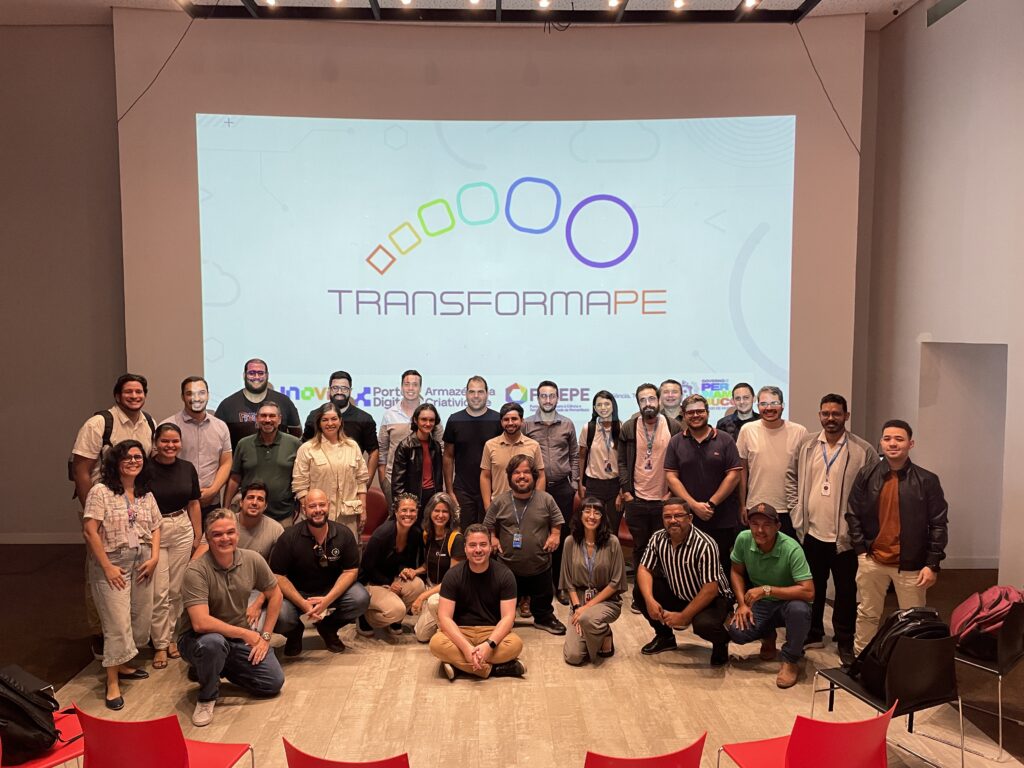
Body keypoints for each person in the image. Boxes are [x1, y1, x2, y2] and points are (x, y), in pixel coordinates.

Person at [786, 394, 878, 666]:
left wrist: (860, 529)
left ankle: (845, 639)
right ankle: (813, 632)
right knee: (812, 586)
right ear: (819, 415)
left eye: (836, 413)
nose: (830, 418)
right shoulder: (807, 445)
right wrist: (796, 512)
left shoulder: (863, 450)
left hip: (845, 538)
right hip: (811, 532)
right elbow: (791, 477)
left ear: (846, 416)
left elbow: (874, 492)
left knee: (846, 590)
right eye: (825, 413)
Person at [846, 419, 949, 655]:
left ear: (910, 444)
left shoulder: (927, 480)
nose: (892, 443)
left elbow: (938, 524)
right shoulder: (866, 475)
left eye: (899, 439)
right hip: (872, 560)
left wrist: (932, 564)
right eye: (887, 438)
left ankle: (910, 666)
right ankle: (861, 659)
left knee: (914, 621)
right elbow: (853, 513)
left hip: (911, 565)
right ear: (881, 443)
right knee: (867, 614)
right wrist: (861, 550)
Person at [71, 373, 156, 653]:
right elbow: (81, 470)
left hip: (133, 507)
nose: (134, 396)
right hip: (102, 507)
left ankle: (125, 636)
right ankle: (100, 633)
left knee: (132, 568)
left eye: (139, 392)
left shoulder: (149, 423)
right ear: (118, 395)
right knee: (99, 569)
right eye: (128, 392)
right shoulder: (99, 423)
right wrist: (94, 512)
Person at [178, 508, 284, 727]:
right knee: (213, 644)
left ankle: (211, 666)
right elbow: (201, 623)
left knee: (272, 683)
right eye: (217, 534)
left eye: (230, 532)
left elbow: (276, 594)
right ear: (208, 538)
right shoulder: (195, 571)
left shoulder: (252, 559)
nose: (225, 538)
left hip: (235, 637)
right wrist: (246, 633)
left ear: (238, 534)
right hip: (198, 638)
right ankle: (207, 696)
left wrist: (265, 637)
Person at [82, 439, 162, 710]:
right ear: (115, 462)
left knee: (139, 618)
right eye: (127, 457)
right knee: (116, 624)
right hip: (113, 562)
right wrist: (106, 566)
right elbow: (90, 531)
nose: (133, 461)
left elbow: (156, 526)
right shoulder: (101, 491)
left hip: (143, 560)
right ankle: (112, 681)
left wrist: (154, 557)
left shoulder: (144, 493)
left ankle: (124, 665)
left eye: (138, 457)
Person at [269, 489, 370, 655]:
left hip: (331, 590)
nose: (318, 510)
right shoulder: (289, 536)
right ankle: (294, 632)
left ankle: (328, 627)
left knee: (360, 598)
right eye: (312, 506)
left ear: (328, 506)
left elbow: (351, 571)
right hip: (297, 593)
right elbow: (278, 576)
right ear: (304, 510)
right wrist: (303, 603)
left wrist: (327, 600)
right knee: (280, 615)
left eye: (322, 505)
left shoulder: (344, 533)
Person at [635, 498, 734, 666]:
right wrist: (650, 600)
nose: (673, 520)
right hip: (680, 592)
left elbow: (710, 589)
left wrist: (683, 617)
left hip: (713, 599)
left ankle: (721, 643)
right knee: (640, 592)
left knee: (704, 625)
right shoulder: (657, 538)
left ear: (690, 518)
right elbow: (644, 569)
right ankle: (665, 637)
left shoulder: (705, 544)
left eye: (678, 515)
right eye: (667, 517)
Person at [728, 503, 814, 689]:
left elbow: (808, 591)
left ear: (778, 526)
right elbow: (736, 571)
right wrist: (742, 604)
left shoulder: (792, 548)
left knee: (799, 611)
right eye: (755, 524)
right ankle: (768, 635)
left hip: (788, 602)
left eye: (766, 525)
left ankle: (790, 660)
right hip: (761, 603)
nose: (760, 530)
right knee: (737, 631)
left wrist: (767, 590)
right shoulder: (743, 539)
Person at [429, 524, 525, 680]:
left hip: (491, 631)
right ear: (465, 548)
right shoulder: (452, 575)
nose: (478, 550)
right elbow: (444, 617)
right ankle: (493, 669)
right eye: (472, 545)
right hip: (461, 631)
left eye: (483, 544)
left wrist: (489, 645)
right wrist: (466, 648)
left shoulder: (505, 575)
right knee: (436, 644)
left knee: (515, 644)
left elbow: (508, 617)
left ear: (490, 547)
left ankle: (458, 666)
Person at [483, 454, 566, 635]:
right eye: (516, 472)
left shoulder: (546, 499)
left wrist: (555, 534)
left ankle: (544, 618)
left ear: (534, 475)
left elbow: (557, 520)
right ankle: (504, 619)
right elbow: (488, 523)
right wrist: (493, 538)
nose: (522, 476)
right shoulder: (500, 501)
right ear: (509, 476)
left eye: (526, 472)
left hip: (540, 565)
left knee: (542, 600)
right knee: (502, 606)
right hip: (507, 567)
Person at [665, 393, 743, 578]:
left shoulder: (725, 439)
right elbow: (671, 477)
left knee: (720, 565)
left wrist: (711, 504)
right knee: (688, 565)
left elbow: (734, 475)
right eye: (690, 412)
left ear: (707, 412)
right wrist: (693, 506)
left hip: (721, 516)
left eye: (700, 411)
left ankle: (721, 597)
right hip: (687, 517)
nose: (695, 415)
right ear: (684, 415)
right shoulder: (676, 442)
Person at [147, 424, 202, 670]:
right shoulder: (145, 469)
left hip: (182, 526)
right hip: (154, 529)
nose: (170, 446)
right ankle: (159, 644)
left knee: (176, 590)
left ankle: (172, 638)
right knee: (158, 592)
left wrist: (198, 534)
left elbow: (194, 503)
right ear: (155, 442)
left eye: (175, 441)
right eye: (165, 441)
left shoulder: (187, 468)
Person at [618, 383, 682, 585]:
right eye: (643, 400)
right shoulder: (629, 427)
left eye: (651, 399)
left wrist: (672, 493)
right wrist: (627, 492)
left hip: (663, 500)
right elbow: (622, 461)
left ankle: (661, 590)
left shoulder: (673, 426)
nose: (648, 403)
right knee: (640, 548)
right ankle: (641, 592)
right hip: (636, 500)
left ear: (659, 400)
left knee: (664, 548)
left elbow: (681, 462)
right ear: (638, 403)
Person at [523, 380, 579, 604]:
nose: (548, 400)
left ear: (557, 398)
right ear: (537, 398)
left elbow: (574, 455)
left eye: (551, 396)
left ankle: (561, 585)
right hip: (535, 489)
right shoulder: (527, 424)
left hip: (562, 488)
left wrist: (574, 484)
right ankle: (531, 590)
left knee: (561, 538)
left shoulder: (567, 424)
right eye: (543, 396)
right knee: (534, 537)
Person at [560, 498, 626, 665]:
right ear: (580, 515)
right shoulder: (570, 542)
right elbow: (568, 581)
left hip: (607, 601)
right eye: (587, 511)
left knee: (588, 619)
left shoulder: (612, 542)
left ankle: (603, 631)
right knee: (573, 657)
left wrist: (586, 609)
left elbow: (615, 582)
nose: (591, 516)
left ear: (603, 517)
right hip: (579, 601)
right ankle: (599, 631)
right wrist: (577, 608)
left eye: (597, 512)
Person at [736, 386, 808, 537]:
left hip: (789, 508)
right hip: (756, 506)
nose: (768, 408)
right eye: (763, 404)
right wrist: (742, 505)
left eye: (774, 403)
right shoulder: (747, 430)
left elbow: (806, 473)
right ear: (758, 406)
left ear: (782, 405)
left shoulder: (799, 432)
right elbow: (742, 471)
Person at [292, 402, 369, 536]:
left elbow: (361, 481)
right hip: (318, 517)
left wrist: (363, 509)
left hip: (348, 517)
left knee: (348, 548)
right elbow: (300, 485)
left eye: (334, 419)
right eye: (325, 420)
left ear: (340, 421)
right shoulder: (307, 449)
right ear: (319, 423)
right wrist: (310, 510)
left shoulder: (352, 446)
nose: (330, 423)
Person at [162, 376, 232, 517]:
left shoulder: (221, 427)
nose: (196, 398)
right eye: (190, 393)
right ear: (182, 397)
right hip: (179, 507)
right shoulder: (167, 427)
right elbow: (160, 465)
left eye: (201, 393)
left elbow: (226, 462)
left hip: (211, 503)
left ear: (208, 395)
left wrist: (213, 490)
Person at [357, 493, 427, 636]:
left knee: (418, 585)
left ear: (417, 512)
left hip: (392, 579)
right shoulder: (381, 535)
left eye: (412, 510)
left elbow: (406, 561)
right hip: (370, 582)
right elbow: (367, 568)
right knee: (397, 610)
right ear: (395, 512)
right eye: (404, 510)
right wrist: (388, 583)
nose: (408, 514)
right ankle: (364, 617)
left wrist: (404, 570)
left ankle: (395, 620)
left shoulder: (415, 533)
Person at [224, 401, 300, 525]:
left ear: (279, 419)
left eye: (272, 416)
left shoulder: (294, 444)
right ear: (257, 419)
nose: (267, 420)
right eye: (263, 416)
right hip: (249, 515)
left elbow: (301, 479)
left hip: (283, 515)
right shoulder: (244, 444)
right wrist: (225, 507)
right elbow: (235, 478)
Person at [301, 371, 380, 486]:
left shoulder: (364, 419)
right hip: (319, 482)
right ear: (329, 390)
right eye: (335, 388)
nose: (339, 392)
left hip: (351, 482)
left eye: (344, 388)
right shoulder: (314, 416)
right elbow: (304, 449)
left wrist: (366, 483)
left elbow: (374, 452)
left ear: (350, 391)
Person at [442, 376, 501, 528]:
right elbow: (448, 456)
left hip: (492, 489)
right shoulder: (454, 420)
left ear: (487, 394)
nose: (476, 396)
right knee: (463, 533)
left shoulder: (498, 420)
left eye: (480, 392)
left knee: (489, 533)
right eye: (472, 392)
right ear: (466, 394)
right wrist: (450, 491)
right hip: (463, 490)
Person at [377, 369, 443, 506]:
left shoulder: (430, 414)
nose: (411, 388)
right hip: (393, 481)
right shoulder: (389, 414)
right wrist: (384, 482)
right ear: (401, 387)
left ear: (420, 388)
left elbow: (441, 448)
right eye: (407, 384)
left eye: (415, 384)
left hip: (425, 485)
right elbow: (382, 451)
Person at [214, 358, 301, 448]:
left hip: (279, 457)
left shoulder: (285, 402)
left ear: (267, 375)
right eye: (251, 373)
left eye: (260, 373)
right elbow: (217, 441)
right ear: (244, 375)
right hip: (239, 457)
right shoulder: (227, 405)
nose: (256, 377)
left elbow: (296, 437)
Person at [412, 493, 465, 642]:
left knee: (434, 601)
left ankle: (451, 633)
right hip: (432, 588)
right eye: (437, 511)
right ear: (430, 512)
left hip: (451, 592)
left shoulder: (456, 538)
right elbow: (428, 564)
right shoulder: (427, 535)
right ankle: (447, 624)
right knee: (421, 635)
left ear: (451, 514)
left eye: (445, 511)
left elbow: (451, 580)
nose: (440, 515)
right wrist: (414, 571)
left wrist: (422, 596)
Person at [192, 482, 284, 563]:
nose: (254, 502)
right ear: (241, 502)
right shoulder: (220, 523)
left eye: (260, 499)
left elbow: (276, 569)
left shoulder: (276, 530)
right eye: (250, 497)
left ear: (265, 506)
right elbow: (201, 553)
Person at [480, 402, 546, 510]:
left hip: (527, 506)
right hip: (499, 506)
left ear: (522, 421)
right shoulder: (490, 445)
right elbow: (485, 476)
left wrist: (536, 504)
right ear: (501, 422)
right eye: (506, 419)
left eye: (514, 419)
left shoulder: (533, 445)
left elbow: (541, 476)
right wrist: (487, 506)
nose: (510, 423)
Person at [390, 403, 445, 517]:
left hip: (433, 497)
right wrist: (402, 506)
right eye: (424, 419)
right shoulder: (405, 446)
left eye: (431, 420)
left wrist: (438, 498)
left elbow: (438, 478)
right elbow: (397, 484)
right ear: (415, 420)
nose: (428, 423)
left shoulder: (436, 446)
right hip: (412, 499)